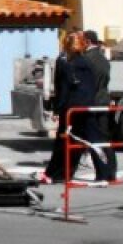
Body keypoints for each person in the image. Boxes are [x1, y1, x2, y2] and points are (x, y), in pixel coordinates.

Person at [43, 32, 100, 183]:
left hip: (71, 109)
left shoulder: (67, 64)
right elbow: (94, 85)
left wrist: (57, 109)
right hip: (86, 107)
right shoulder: (88, 63)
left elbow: (63, 88)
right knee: (80, 142)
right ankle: (68, 172)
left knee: (63, 142)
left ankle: (56, 174)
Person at [82, 30, 118, 181]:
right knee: (104, 138)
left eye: (82, 41)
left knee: (94, 139)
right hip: (103, 100)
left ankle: (101, 172)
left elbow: (89, 84)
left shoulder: (87, 59)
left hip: (93, 102)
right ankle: (111, 170)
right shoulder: (103, 57)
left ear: (88, 42)